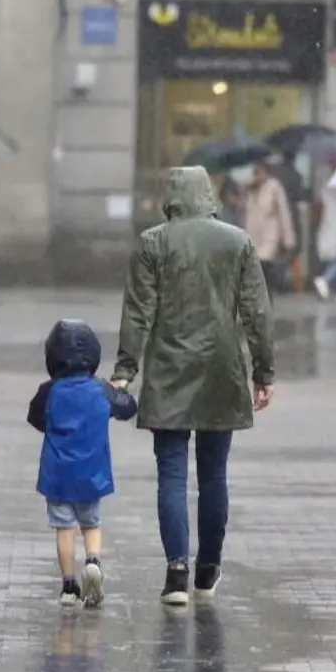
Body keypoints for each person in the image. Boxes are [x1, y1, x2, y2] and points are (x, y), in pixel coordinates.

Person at [111, 166, 275, 606]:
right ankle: (209, 569)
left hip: (168, 368)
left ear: (171, 197)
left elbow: (138, 311)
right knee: (214, 473)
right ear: (209, 196)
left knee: (171, 474)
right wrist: (263, 372)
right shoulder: (237, 241)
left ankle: (175, 572)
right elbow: (257, 311)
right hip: (221, 368)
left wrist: (125, 369)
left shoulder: (152, 243)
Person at [26, 320, 137, 608]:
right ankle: (93, 561)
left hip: (58, 475)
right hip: (92, 473)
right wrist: (120, 390)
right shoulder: (101, 390)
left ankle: (68, 585)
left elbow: (35, 418)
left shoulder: (49, 391)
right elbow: (128, 408)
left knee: (64, 529)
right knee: (91, 524)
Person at [243, 161, 297, 298]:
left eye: (261, 172)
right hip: (254, 236)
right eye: (256, 172)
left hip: (270, 235)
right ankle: (262, 298)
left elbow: (283, 212)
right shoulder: (251, 190)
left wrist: (288, 239)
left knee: (265, 265)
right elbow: (248, 214)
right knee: (257, 269)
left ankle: (268, 297)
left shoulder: (274, 187)